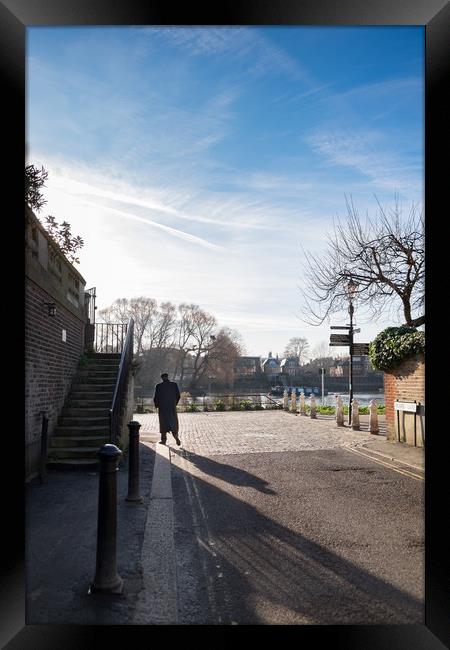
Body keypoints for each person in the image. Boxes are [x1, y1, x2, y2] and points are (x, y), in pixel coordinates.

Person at [153, 373, 181, 445]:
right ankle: (175, 436)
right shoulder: (174, 385)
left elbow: (156, 397)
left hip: (163, 408)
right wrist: (174, 404)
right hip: (171, 407)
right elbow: (178, 396)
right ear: (167, 377)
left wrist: (157, 405)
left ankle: (163, 440)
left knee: (163, 423)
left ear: (162, 378)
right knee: (173, 422)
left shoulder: (159, 386)